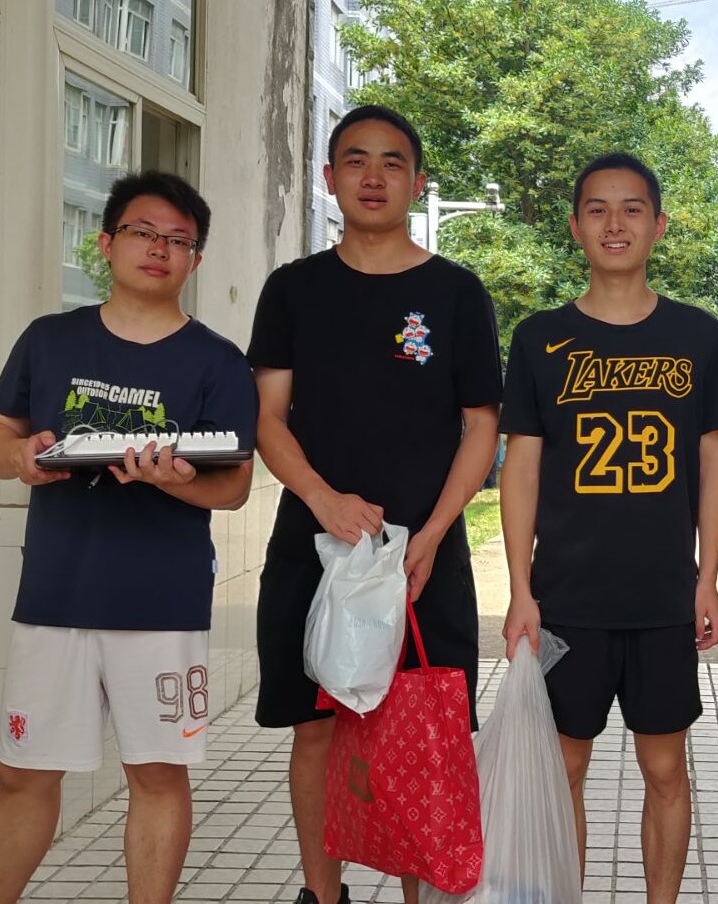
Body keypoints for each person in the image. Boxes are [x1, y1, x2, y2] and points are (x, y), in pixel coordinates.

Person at [0, 172, 257, 904]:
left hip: (161, 602)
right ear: (106, 244)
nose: (159, 249)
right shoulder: (50, 340)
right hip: (55, 594)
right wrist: (19, 457)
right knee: (22, 774)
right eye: (142, 232)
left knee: (156, 774)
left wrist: (168, 480)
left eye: (178, 240)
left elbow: (233, 486)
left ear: (195, 259)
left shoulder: (218, 361)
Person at [246, 105, 502, 904]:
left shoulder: (456, 293)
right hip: (314, 550)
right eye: (356, 160)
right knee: (315, 729)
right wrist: (321, 499)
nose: (373, 176)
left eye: (393, 162)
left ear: (417, 182)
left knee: (420, 735)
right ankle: (324, 897)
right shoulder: (293, 290)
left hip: (423, 560)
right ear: (330, 179)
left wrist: (433, 532)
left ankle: (417, 893)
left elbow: (482, 426)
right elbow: (267, 417)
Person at [499, 152, 718, 902]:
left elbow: (715, 460)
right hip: (568, 597)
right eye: (597, 209)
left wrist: (708, 578)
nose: (615, 223)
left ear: (658, 225)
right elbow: (521, 469)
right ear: (575, 227)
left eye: (632, 208)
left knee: (665, 770)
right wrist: (519, 590)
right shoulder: (539, 338)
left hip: (663, 596)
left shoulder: (697, 334)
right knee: (564, 768)